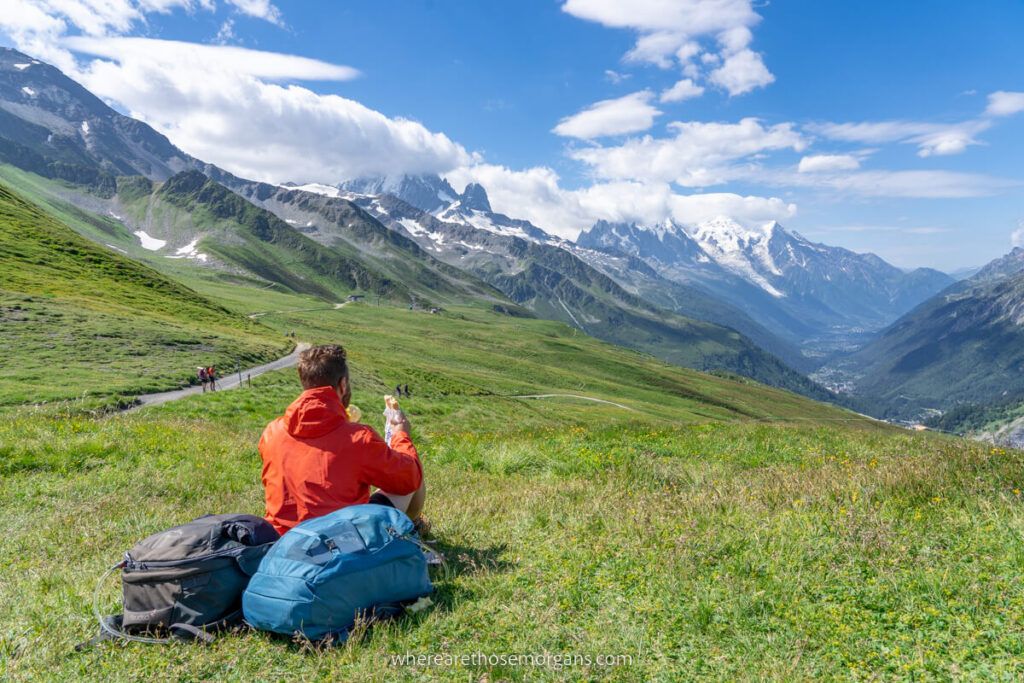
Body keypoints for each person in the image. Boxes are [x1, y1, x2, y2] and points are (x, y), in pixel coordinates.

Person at [258, 344, 426, 535]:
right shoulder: (358, 438)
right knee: (411, 464)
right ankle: (412, 530)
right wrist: (400, 434)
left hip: (283, 544)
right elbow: (409, 477)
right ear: (343, 384)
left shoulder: (272, 432)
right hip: (342, 545)